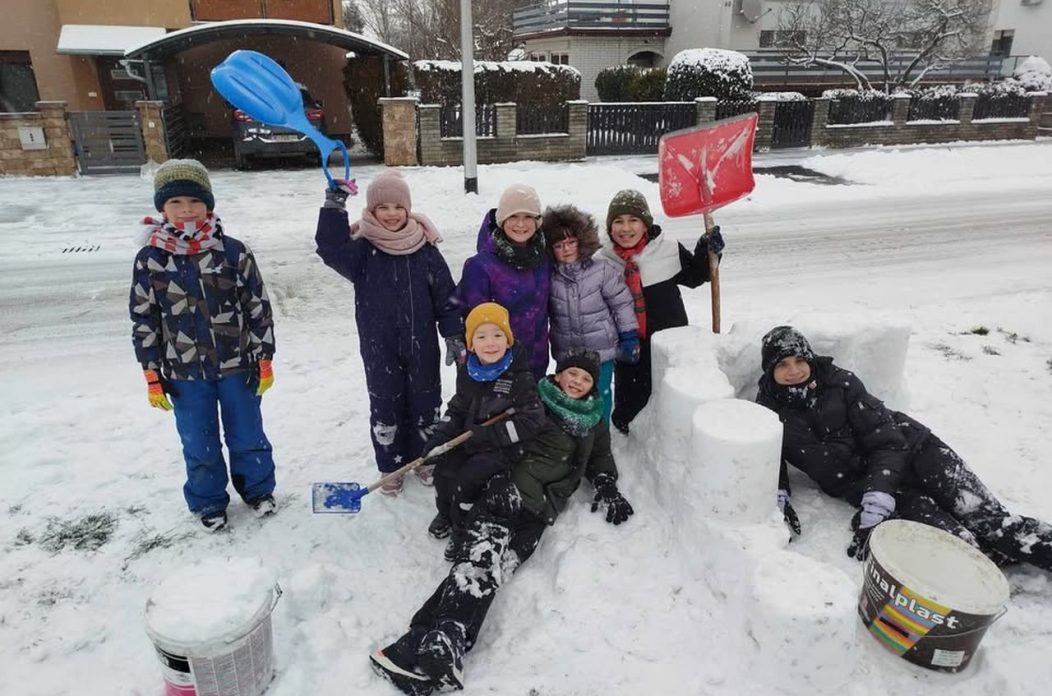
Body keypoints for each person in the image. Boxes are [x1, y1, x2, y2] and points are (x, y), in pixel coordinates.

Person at [370, 350, 634, 695]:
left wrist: (605, 483)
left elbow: (600, 456)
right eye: (571, 374)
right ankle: (446, 640)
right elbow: (488, 429)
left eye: (585, 379)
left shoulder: (593, 419)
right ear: (558, 375)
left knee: (494, 570)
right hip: (504, 492)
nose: (577, 382)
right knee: (480, 561)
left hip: (540, 511)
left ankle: (418, 643)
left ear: (592, 386)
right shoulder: (533, 401)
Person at [756, 325, 1052, 571]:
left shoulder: (841, 384)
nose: (793, 370)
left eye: (799, 360)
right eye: (782, 364)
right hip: (868, 485)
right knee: (964, 548)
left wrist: (877, 498)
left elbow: (887, 442)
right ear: (769, 370)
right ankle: (997, 554)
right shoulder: (766, 410)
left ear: (810, 358)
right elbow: (767, 457)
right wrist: (777, 496)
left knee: (989, 522)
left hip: (917, 452)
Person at [129, 159, 277, 532]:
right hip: (184, 371)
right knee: (199, 441)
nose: (187, 210)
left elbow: (257, 305)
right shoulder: (151, 259)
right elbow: (143, 316)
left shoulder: (232, 252)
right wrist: (150, 370)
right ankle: (208, 499)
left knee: (247, 432)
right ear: (162, 209)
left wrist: (265, 355)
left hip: (238, 365)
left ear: (208, 205)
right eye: (176, 203)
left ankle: (258, 489)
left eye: (194, 202)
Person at [316, 172, 464, 495]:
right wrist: (334, 205)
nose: (393, 213)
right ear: (371, 210)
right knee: (386, 403)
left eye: (399, 206)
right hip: (378, 345)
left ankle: (425, 457)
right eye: (384, 207)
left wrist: (454, 333)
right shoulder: (361, 251)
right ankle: (393, 462)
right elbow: (329, 248)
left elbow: (447, 296)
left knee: (426, 400)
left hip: (422, 344)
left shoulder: (425, 250)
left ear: (408, 209)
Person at [595, 189, 724, 434]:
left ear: (645, 225)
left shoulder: (668, 249)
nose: (626, 228)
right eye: (618, 222)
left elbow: (697, 276)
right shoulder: (602, 261)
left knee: (671, 406)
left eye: (633, 220)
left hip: (669, 343)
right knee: (630, 414)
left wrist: (707, 250)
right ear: (610, 227)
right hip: (629, 346)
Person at [424, 302, 545, 560]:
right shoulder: (469, 371)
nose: (490, 343)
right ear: (471, 343)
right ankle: (446, 512)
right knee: (444, 472)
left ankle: (462, 528)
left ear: (508, 339)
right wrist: (440, 437)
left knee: (467, 478)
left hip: (504, 447)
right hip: (471, 439)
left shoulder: (519, 377)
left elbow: (531, 421)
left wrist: (490, 436)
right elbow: (458, 408)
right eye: (481, 336)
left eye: (497, 335)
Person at [543, 204, 639, 425]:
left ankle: (599, 436)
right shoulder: (550, 276)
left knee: (599, 395)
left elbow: (621, 303)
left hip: (601, 350)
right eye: (558, 245)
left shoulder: (601, 270)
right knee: (568, 396)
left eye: (571, 243)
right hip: (567, 352)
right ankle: (571, 436)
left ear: (582, 240)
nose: (566, 249)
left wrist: (629, 335)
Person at [457, 184, 551, 382]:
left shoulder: (543, 259)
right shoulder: (480, 266)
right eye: (513, 217)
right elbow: (471, 318)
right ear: (501, 221)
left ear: (538, 222)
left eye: (528, 217)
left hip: (536, 362)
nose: (521, 224)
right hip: (495, 365)